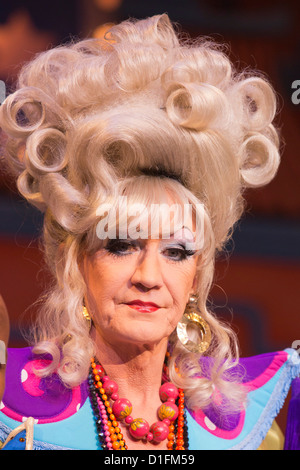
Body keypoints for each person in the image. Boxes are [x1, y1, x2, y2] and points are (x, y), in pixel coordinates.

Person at [0, 14, 299, 451]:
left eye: (177, 251)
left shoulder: (251, 433)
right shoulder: (11, 411)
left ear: (197, 272)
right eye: (121, 245)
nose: (148, 275)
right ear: (78, 261)